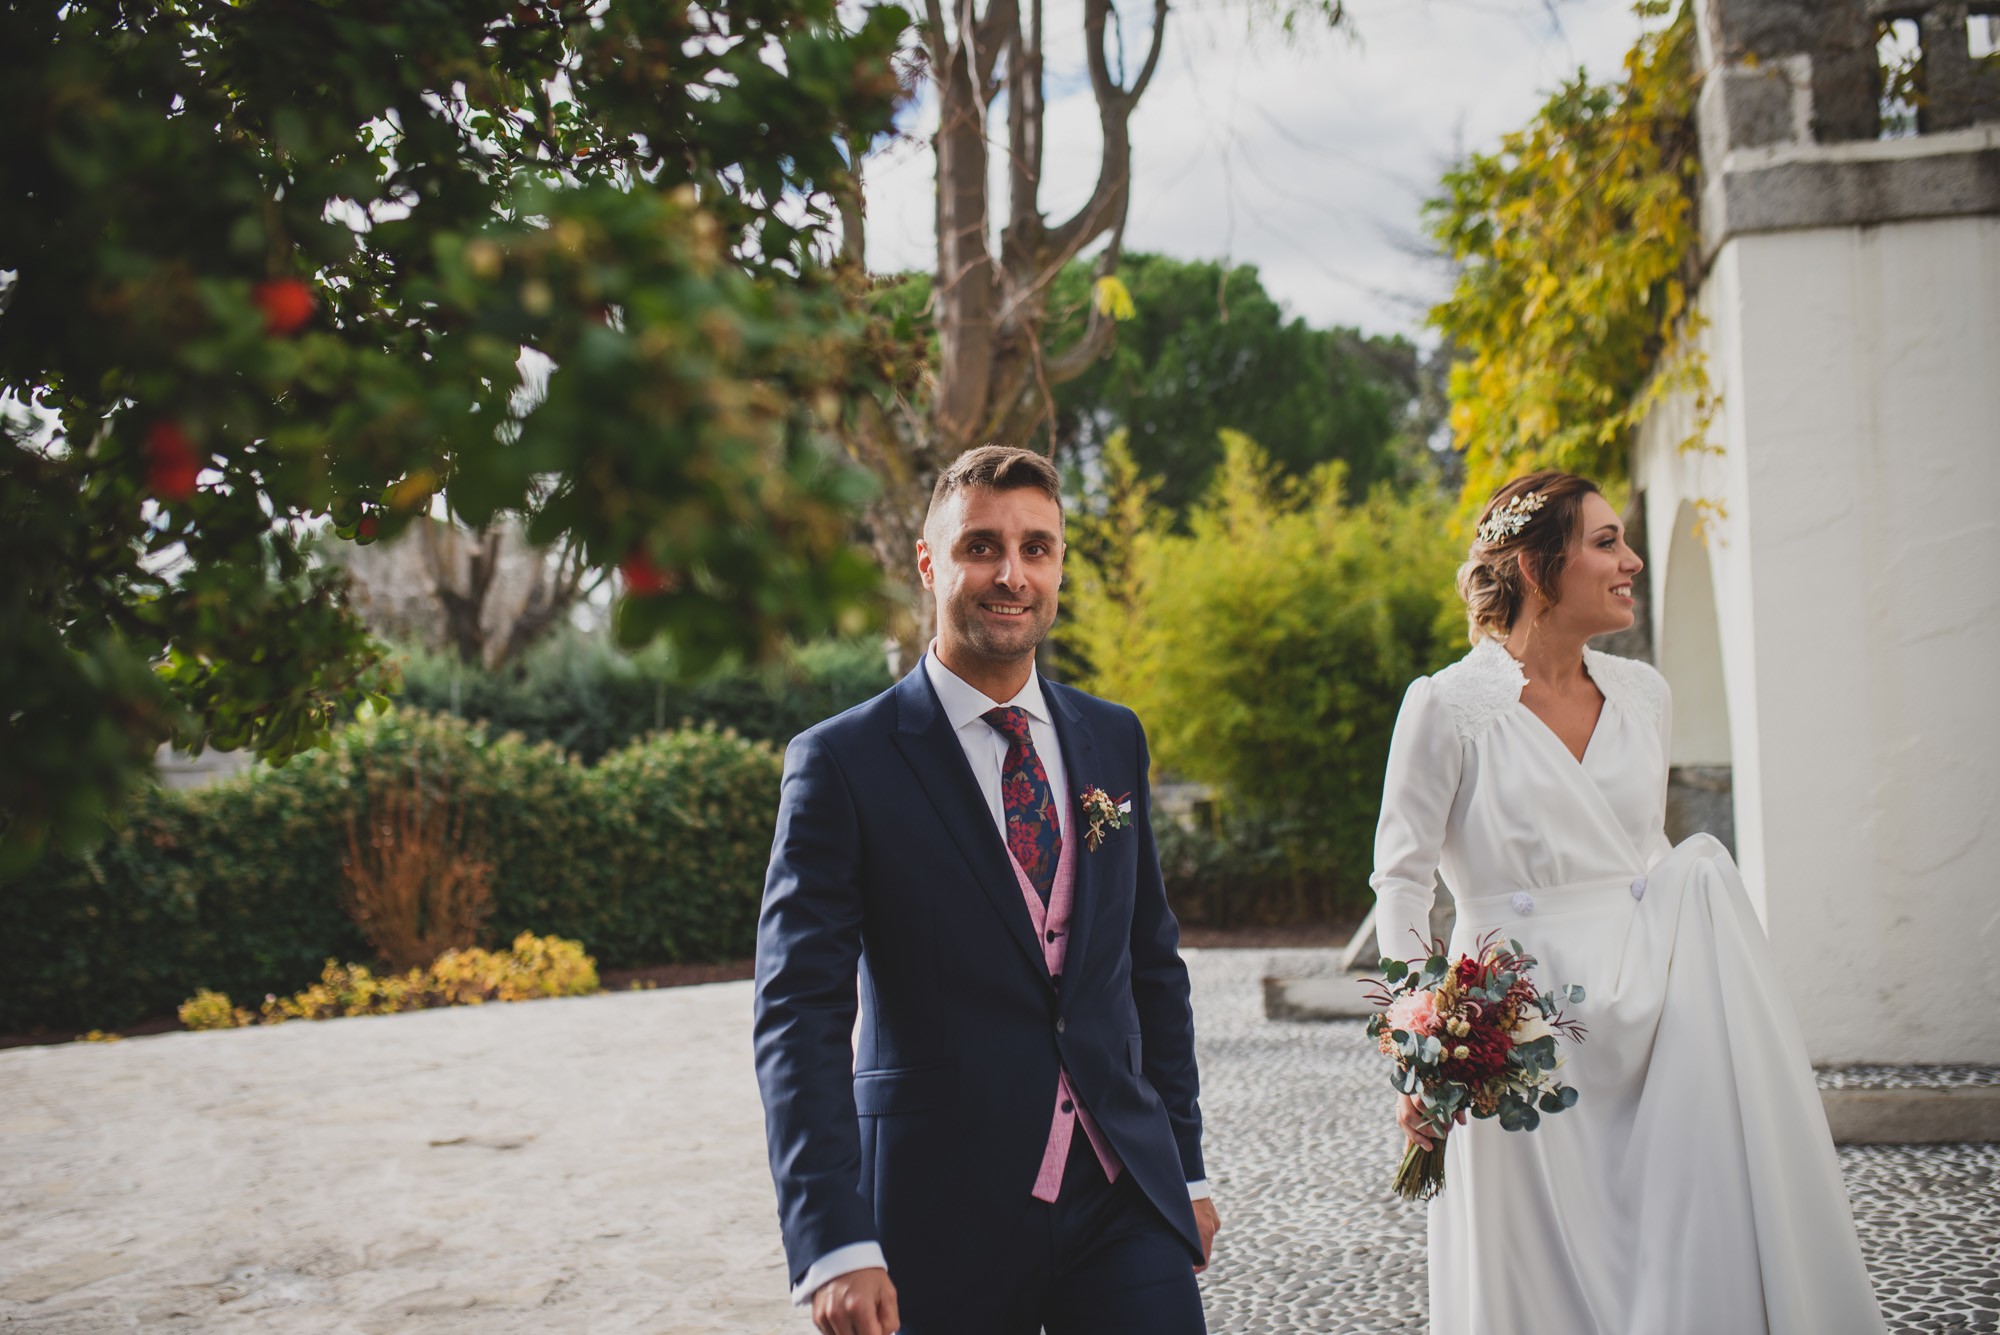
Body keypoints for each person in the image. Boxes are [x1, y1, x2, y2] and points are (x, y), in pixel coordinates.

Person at [1371, 470, 1887, 1334]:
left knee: (1679, 1241)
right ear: (1539, 568)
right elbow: (1401, 881)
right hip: (1516, 1027)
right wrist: (1421, 1042)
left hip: (1659, 1015)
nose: (1632, 561)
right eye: (1606, 542)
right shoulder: (1446, 707)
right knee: (1535, 1272)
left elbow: (1644, 853)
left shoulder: (1645, 696)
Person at [753, 445, 1220, 1335]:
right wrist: (833, 1240)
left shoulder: (1112, 738)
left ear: (1059, 567)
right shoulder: (842, 761)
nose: (1011, 574)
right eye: (981, 546)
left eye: (1037, 548)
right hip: (936, 1206)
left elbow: (1150, 966)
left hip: (1121, 1193)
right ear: (929, 564)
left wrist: (1185, 1168)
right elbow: (798, 1010)